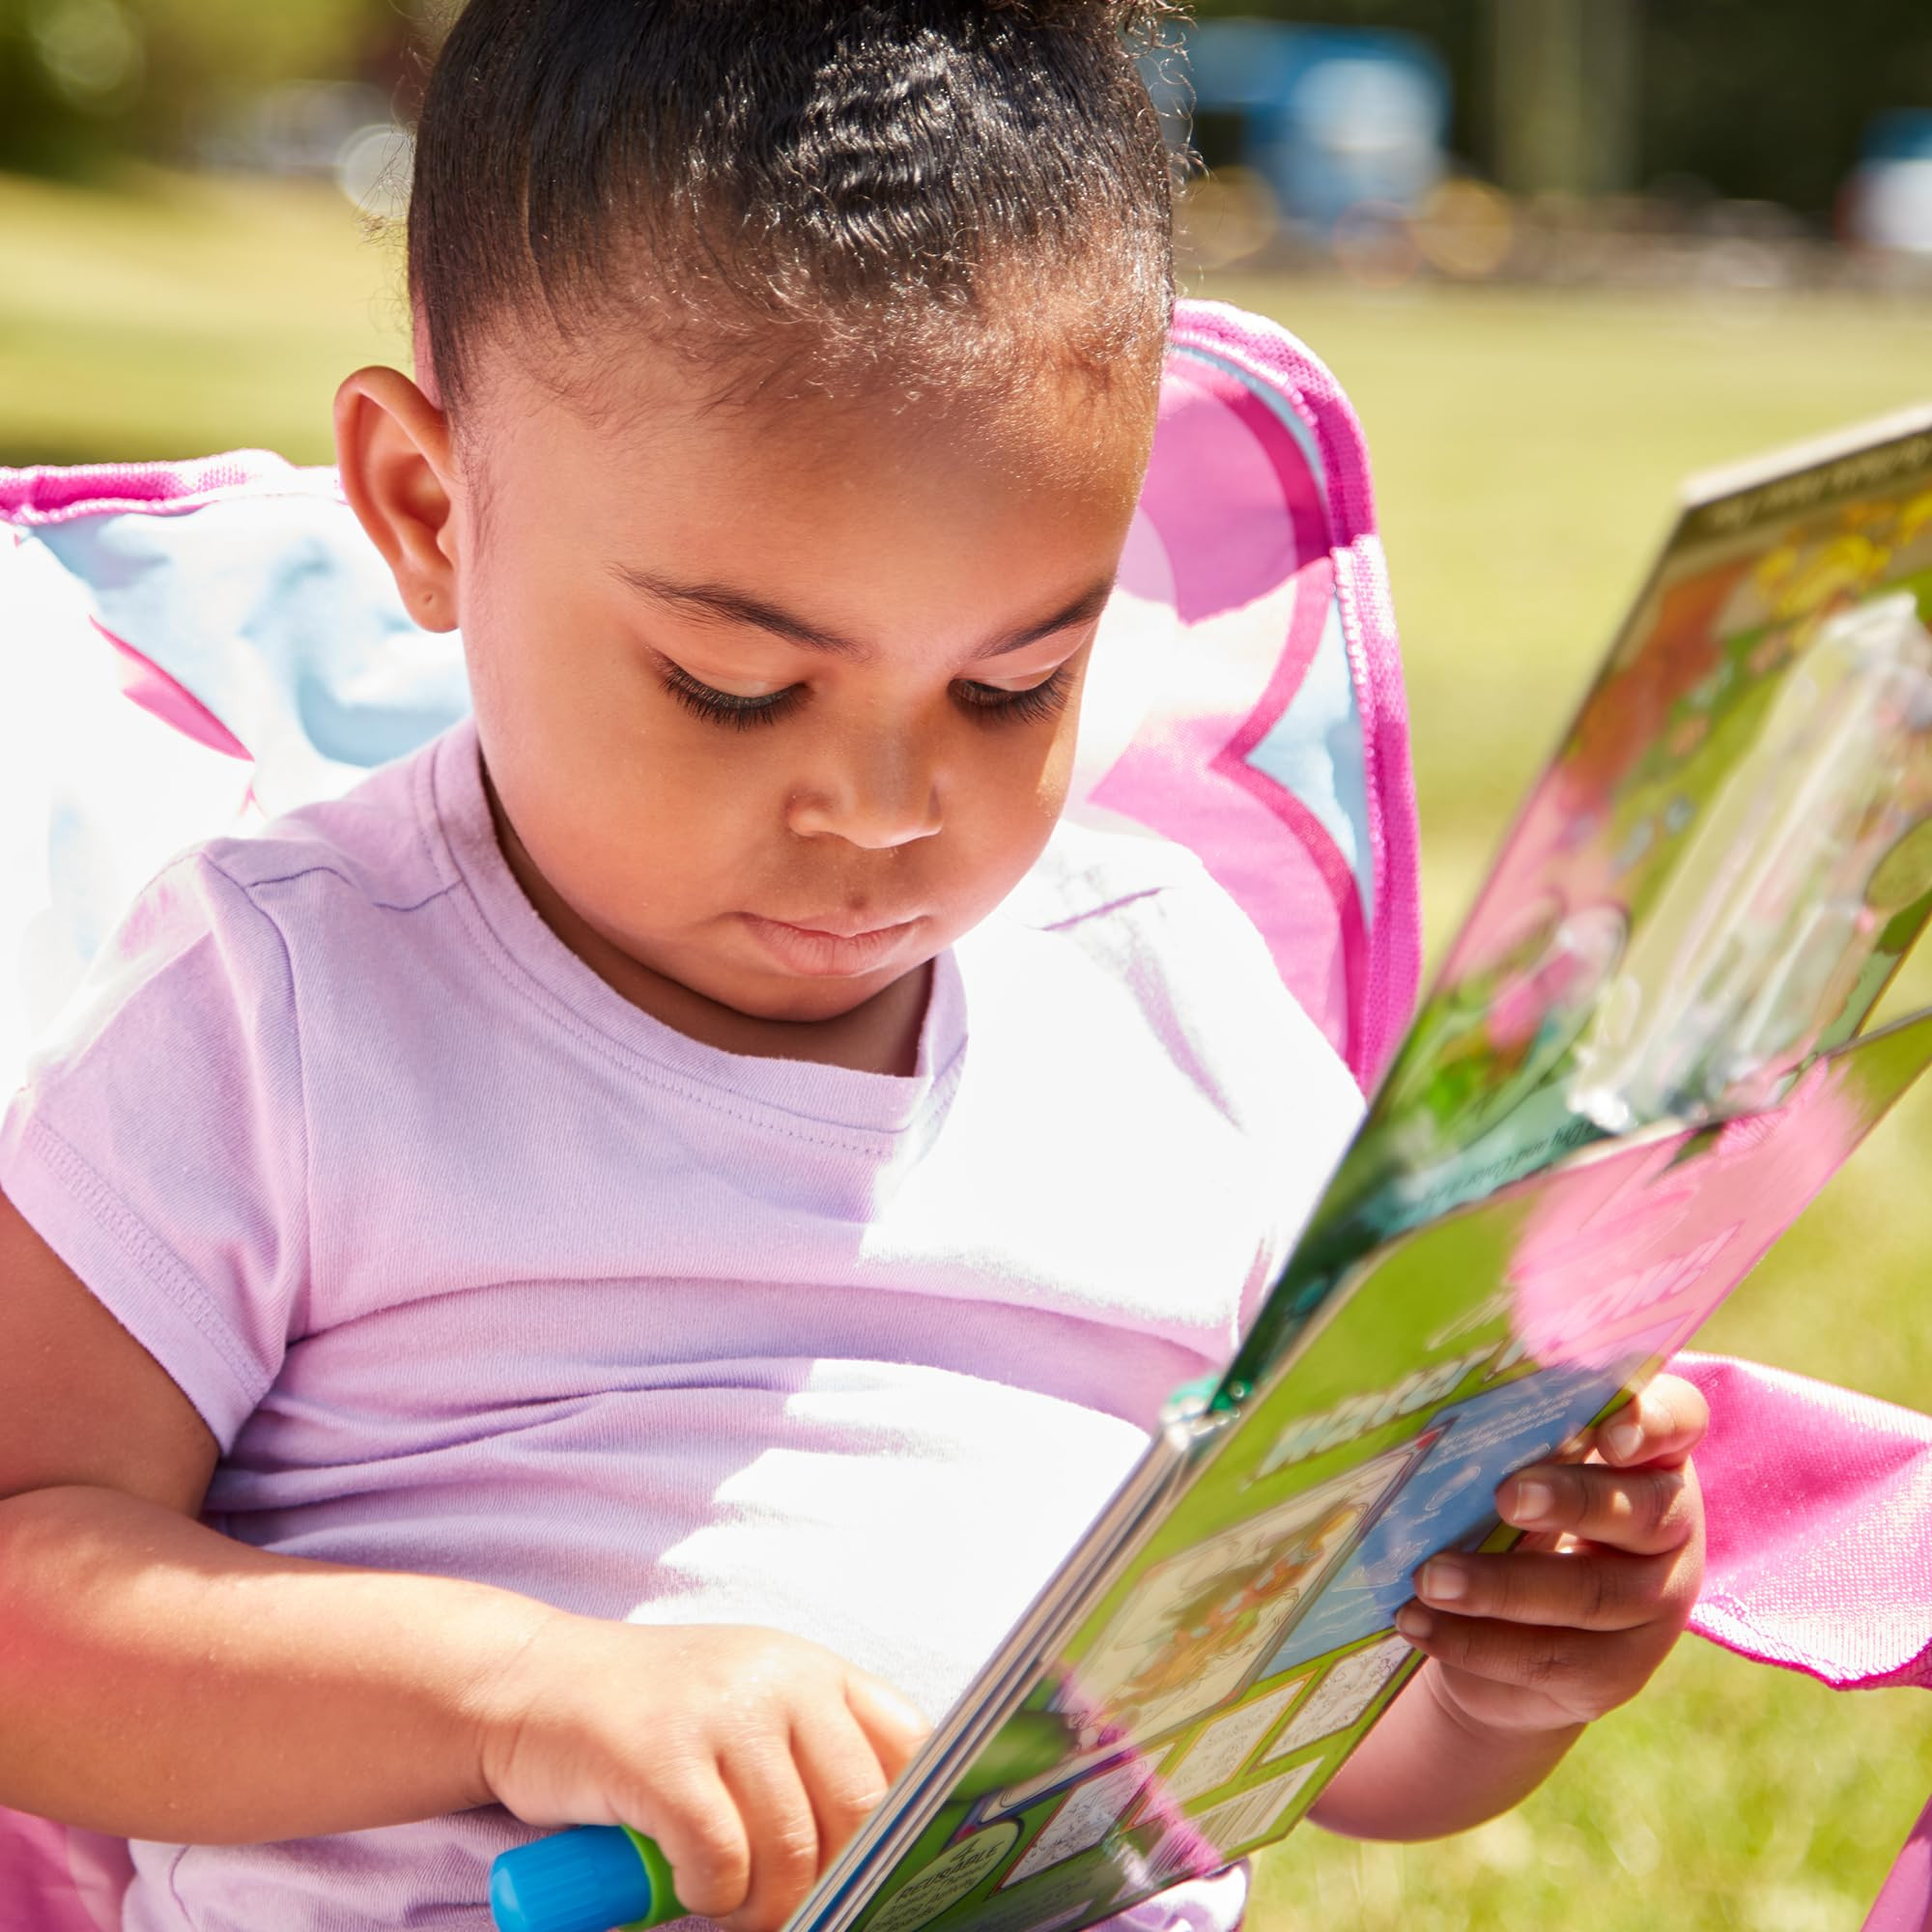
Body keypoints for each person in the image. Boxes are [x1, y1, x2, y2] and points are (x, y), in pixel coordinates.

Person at [0, 4, 1708, 1929]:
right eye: (736, 685)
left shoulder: (1177, 1021)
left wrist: (1493, 1661)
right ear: (425, 509)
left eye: (1014, 681)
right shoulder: (279, 1006)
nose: (891, 805)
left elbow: (1299, 1748)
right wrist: (522, 1689)